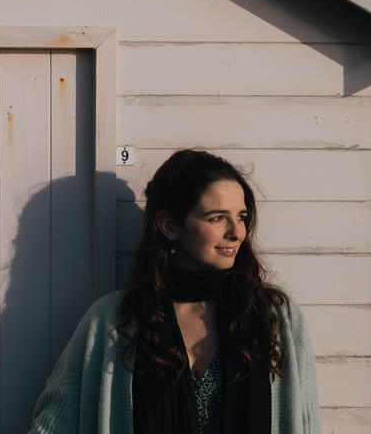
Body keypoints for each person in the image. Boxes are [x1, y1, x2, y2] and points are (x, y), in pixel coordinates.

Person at [28, 150, 320, 434]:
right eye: (217, 218)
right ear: (169, 226)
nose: (237, 232)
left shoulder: (275, 317)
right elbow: (54, 425)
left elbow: (306, 423)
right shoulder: (113, 321)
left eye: (241, 216)